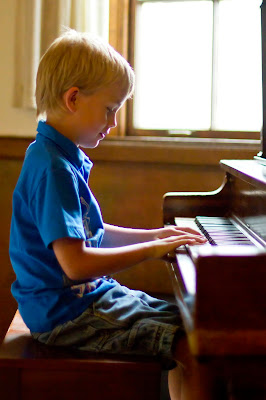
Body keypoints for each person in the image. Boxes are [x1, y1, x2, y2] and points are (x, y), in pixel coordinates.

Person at [9, 29, 207, 399]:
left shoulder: (59, 157)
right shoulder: (52, 168)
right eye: (109, 109)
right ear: (73, 99)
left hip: (86, 301)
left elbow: (92, 234)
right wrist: (152, 251)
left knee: (196, 326)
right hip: (66, 317)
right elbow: (76, 265)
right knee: (193, 349)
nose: (113, 123)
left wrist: (156, 235)